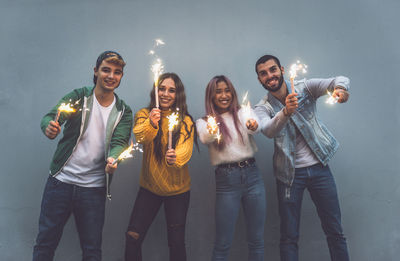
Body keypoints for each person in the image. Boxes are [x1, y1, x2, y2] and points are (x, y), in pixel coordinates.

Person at [33, 51, 133, 261]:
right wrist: (49, 128)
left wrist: (113, 159)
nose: (111, 76)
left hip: (93, 189)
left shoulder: (124, 111)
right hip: (60, 183)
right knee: (45, 244)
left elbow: (120, 142)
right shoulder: (79, 96)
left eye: (117, 72)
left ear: (121, 76)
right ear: (96, 71)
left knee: (92, 250)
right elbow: (52, 117)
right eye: (106, 69)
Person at [254, 54, 350, 261]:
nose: (269, 76)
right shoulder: (262, 107)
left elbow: (339, 80)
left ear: (281, 70)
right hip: (289, 177)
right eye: (263, 74)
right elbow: (268, 130)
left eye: (272, 70)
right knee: (289, 236)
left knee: (335, 230)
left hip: (320, 169)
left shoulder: (305, 88)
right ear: (260, 79)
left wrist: (341, 90)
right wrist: (285, 112)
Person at [124, 72, 197, 261]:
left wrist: (175, 157)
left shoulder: (186, 120)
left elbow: (185, 150)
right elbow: (140, 136)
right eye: (162, 89)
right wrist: (151, 122)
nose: (166, 94)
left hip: (178, 192)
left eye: (171, 90)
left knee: (176, 243)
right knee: (133, 237)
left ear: (178, 94)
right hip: (150, 188)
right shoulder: (143, 114)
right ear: (155, 92)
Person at [196, 75, 266, 261]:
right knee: (222, 242)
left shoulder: (243, 112)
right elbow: (205, 137)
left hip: (253, 176)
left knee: (257, 241)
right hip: (227, 181)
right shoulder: (204, 122)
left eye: (227, 90)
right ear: (211, 96)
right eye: (218, 91)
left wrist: (253, 124)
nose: (224, 95)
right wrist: (213, 130)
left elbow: (255, 128)